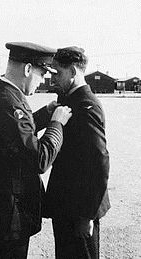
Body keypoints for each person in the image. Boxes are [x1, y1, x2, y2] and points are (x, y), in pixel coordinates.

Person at [0, 42, 72, 259]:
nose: (44, 80)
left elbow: (14, 137)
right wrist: (56, 125)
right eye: (42, 73)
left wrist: (44, 115)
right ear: (27, 69)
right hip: (9, 216)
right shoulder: (11, 103)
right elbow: (39, 160)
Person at [45, 47, 111, 259]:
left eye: (57, 72)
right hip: (66, 206)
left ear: (73, 71)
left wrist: (87, 215)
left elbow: (99, 162)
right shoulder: (68, 100)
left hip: (79, 211)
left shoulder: (86, 105)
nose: (52, 78)